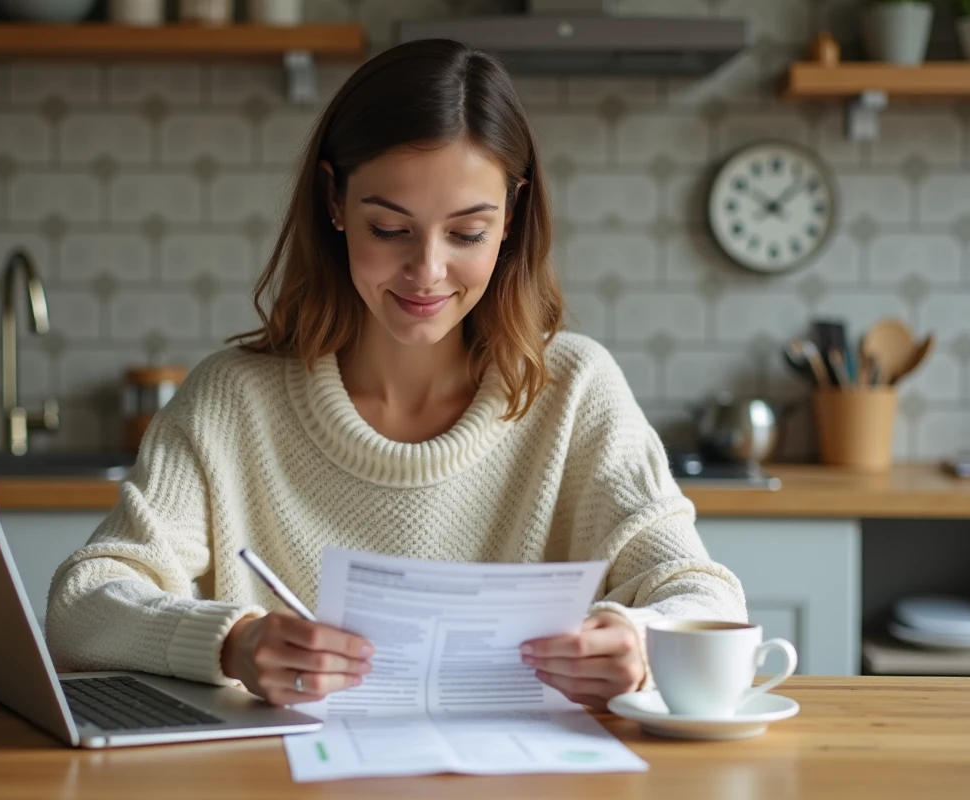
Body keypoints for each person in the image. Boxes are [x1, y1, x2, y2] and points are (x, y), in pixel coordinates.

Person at [46, 39, 746, 713]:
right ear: (334, 202)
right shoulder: (232, 400)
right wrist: (233, 642)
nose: (428, 271)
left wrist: (640, 639)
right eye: (390, 229)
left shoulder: (575, 389)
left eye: (467, 233)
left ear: (512, 219)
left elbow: (704, 595)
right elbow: (83, 604)